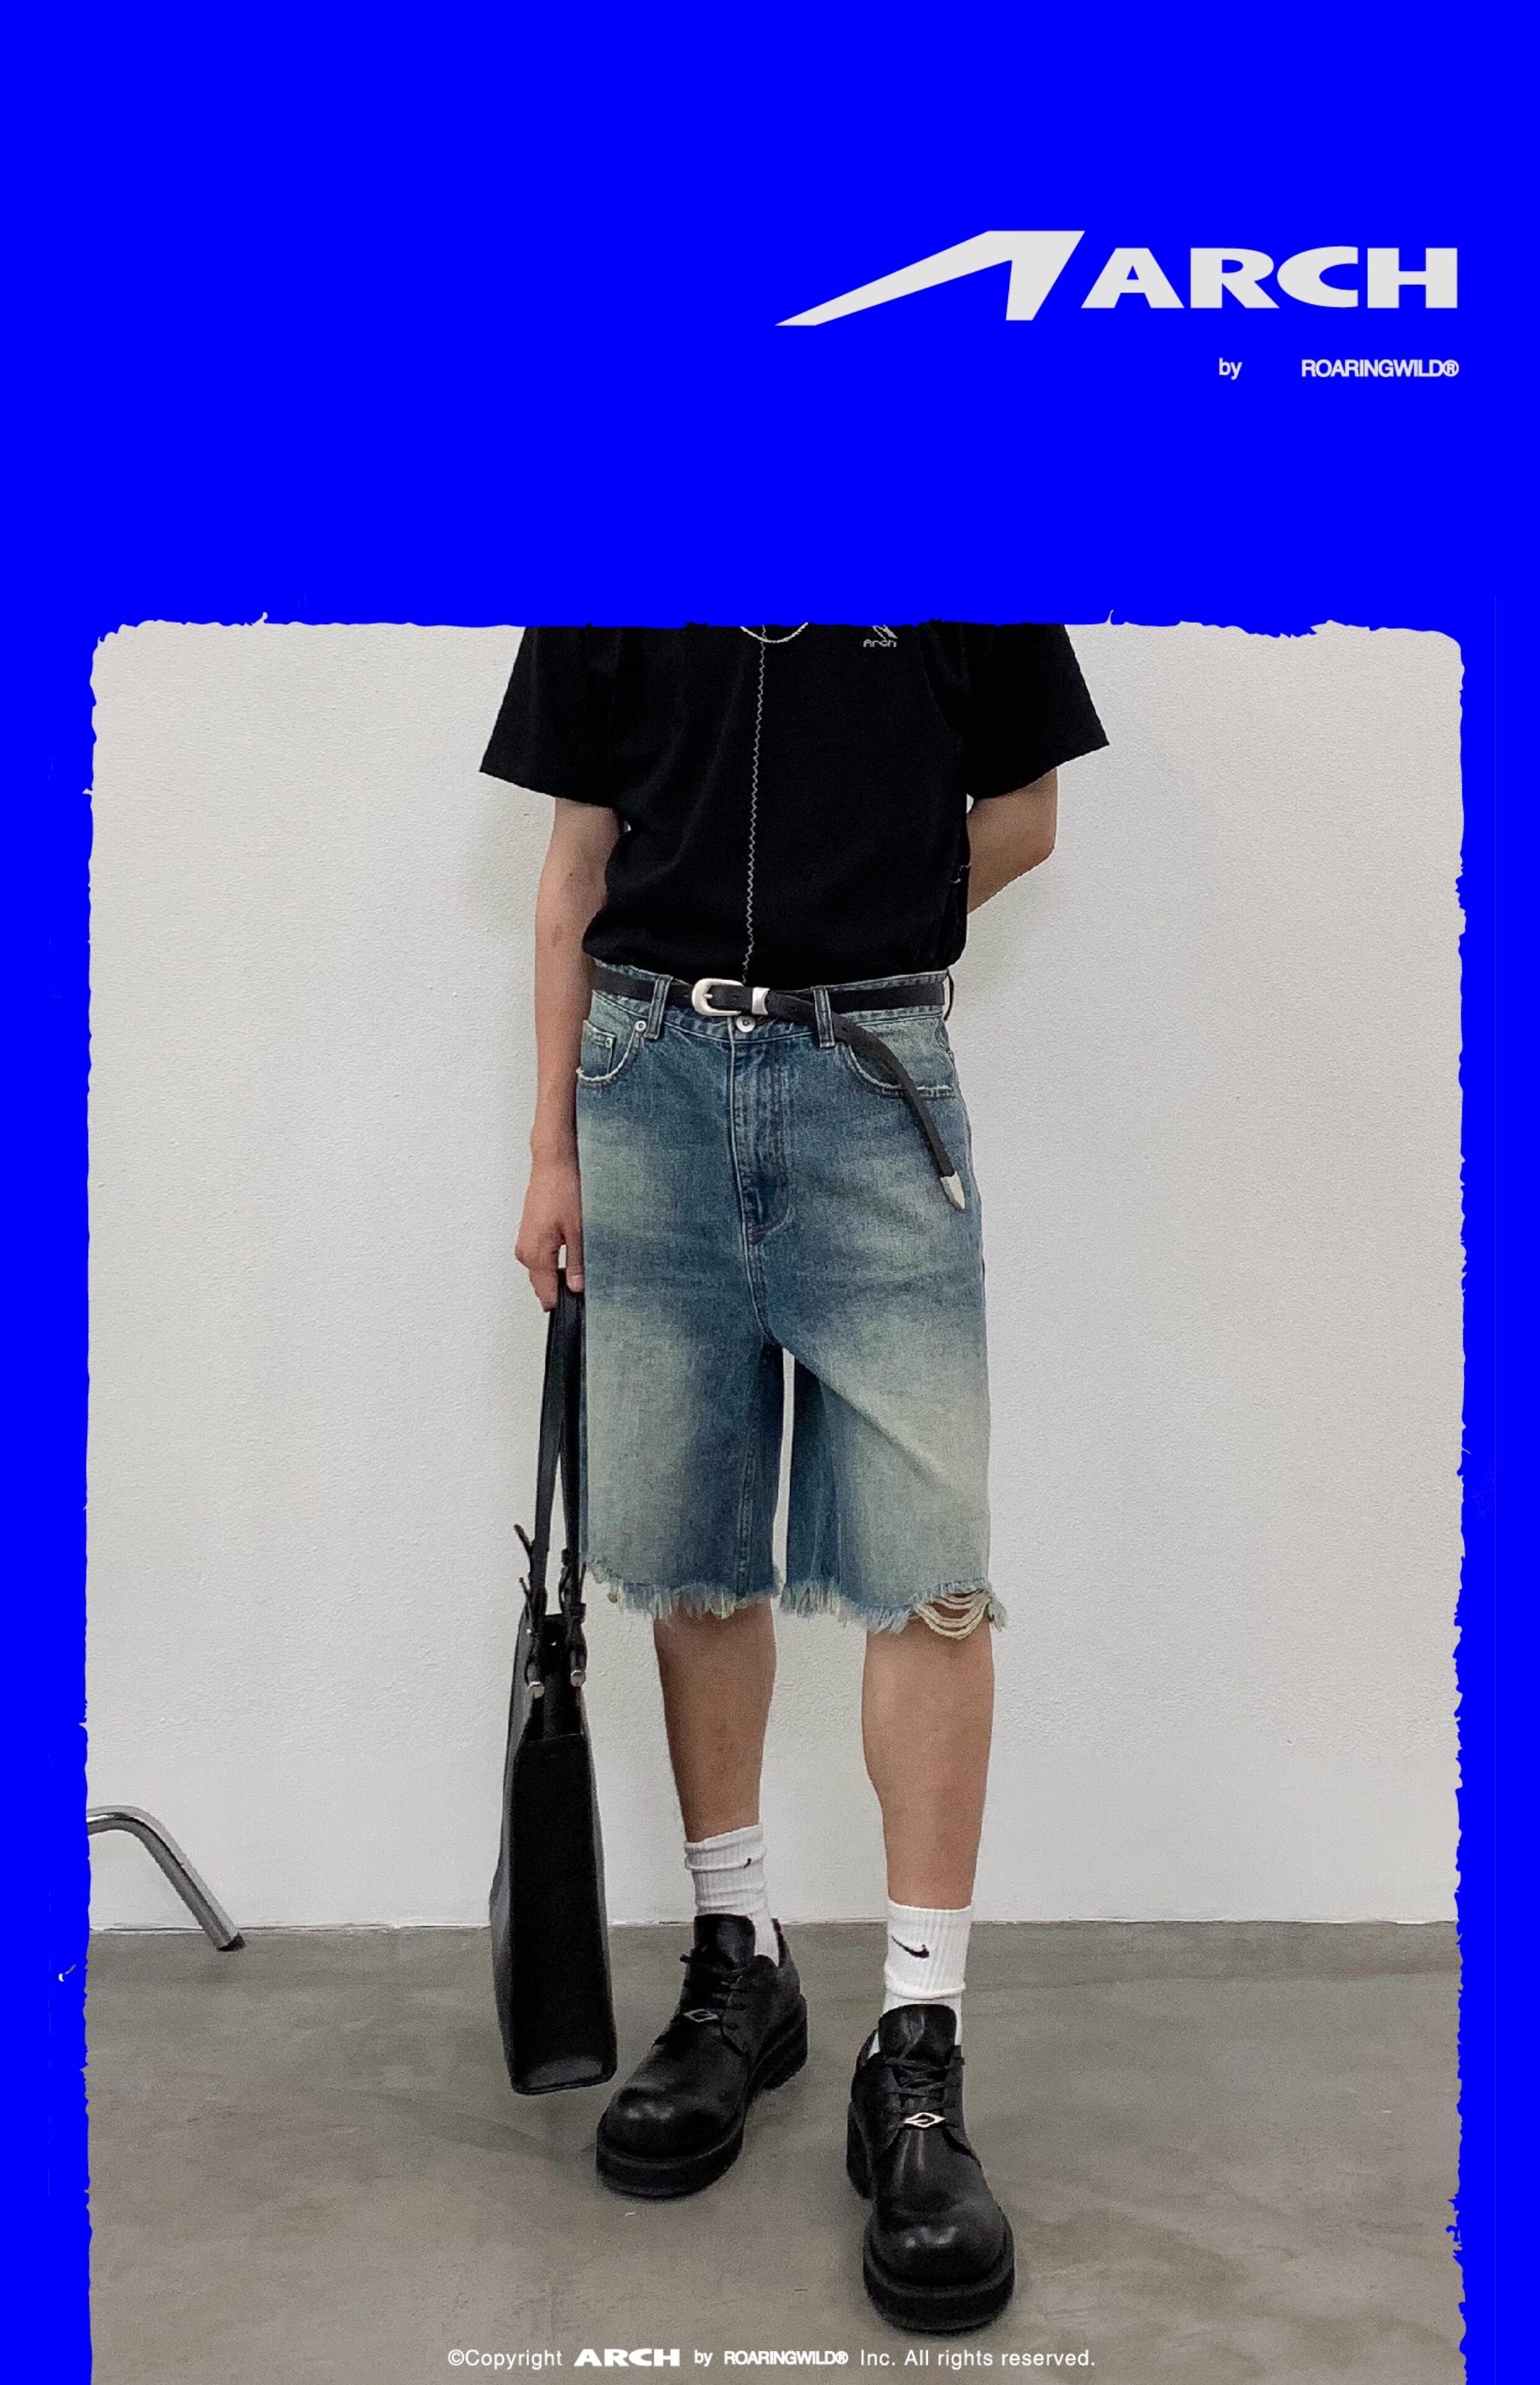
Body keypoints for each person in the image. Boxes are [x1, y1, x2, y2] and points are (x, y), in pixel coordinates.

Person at [482, 624, 1106, 2332]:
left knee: (931, 1574)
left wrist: (866, 914)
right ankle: (736, 1969)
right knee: (694, 1554)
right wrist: (549, 1148)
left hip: (875, 1087)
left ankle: (918, 2043)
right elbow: (576, 865)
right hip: (647, 1087)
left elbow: (1027, 810)